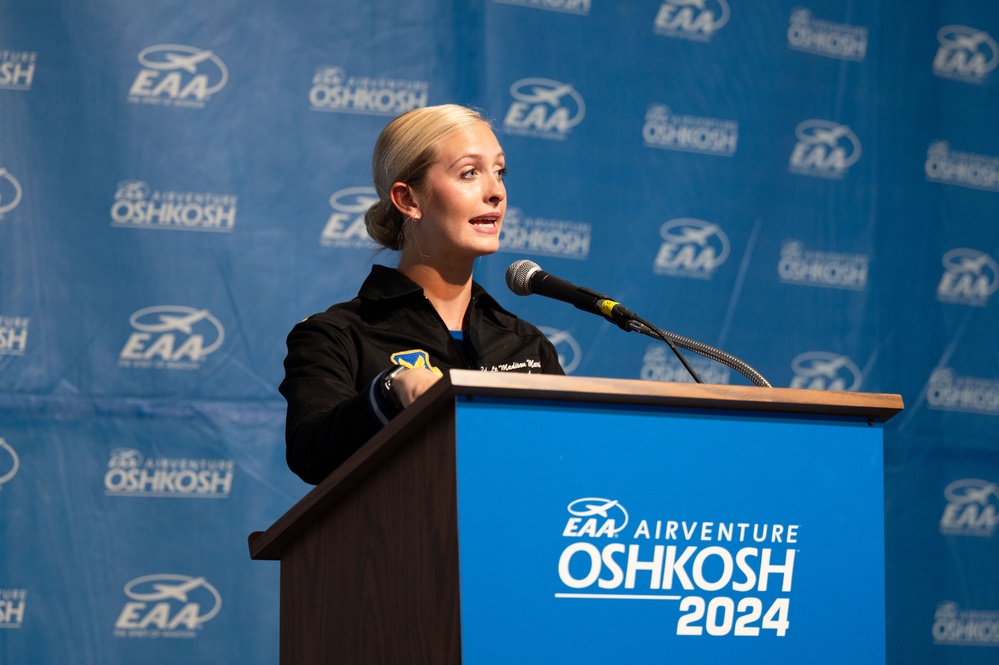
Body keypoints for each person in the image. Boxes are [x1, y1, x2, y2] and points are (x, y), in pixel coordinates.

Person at [280, 104, 565, 484]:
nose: (496, 191)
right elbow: (310, 453)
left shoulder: (525, 343)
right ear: (409, 200)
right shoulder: (337, 336)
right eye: (469, 173)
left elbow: (563, 463)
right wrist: (389, 388)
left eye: (500, 172)